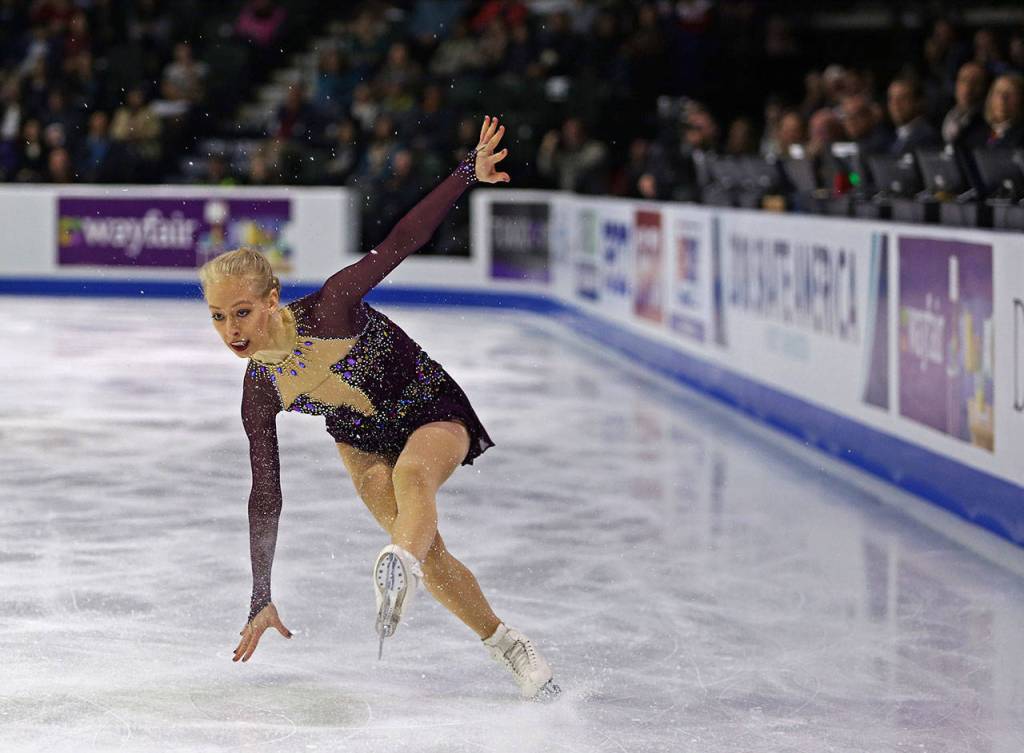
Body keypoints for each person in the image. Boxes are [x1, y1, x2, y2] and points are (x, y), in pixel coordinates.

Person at [199, 117, 560, 701]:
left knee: (414, 478)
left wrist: (468, 172)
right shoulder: (259, 391)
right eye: (218, 317)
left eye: (241, 312)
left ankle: (399, 561)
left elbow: (401, 241)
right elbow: (265, 493)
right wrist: (259, 595)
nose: (231, 330)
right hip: (359, 433)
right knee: (425, 545)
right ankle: (505, 643)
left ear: (271, 300)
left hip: (424, 401)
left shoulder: (332, 307)